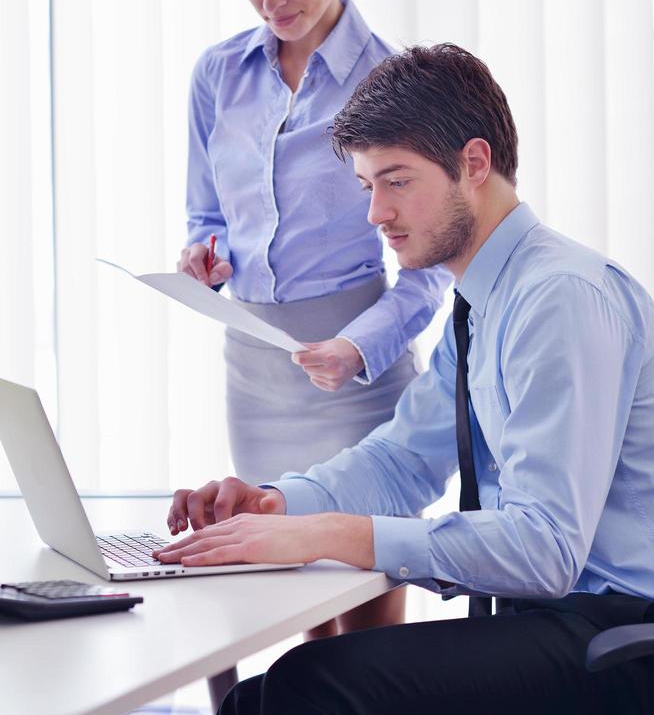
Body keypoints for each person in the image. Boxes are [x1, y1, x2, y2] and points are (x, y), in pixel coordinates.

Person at [159, 43, 654, 714]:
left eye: (396, 181)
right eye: (368, 188)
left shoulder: (558, 297)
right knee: (257, 697)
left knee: (312, 685)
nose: (376, 215)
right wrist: (280, 503)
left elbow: (545, 548)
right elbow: (401, 461)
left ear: (474, 163)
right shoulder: (483, 301)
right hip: (551, 622)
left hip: (614, 638)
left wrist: (329, 534)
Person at [177, 0, 450, 635]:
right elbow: (205, 213)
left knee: (365, 625)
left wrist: (357, 349)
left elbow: (428, 269)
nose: (274, 1)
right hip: (257, 369)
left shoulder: (392, 81)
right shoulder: (216, 76)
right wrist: (204, 256)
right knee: (291, 614)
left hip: (355, 378)